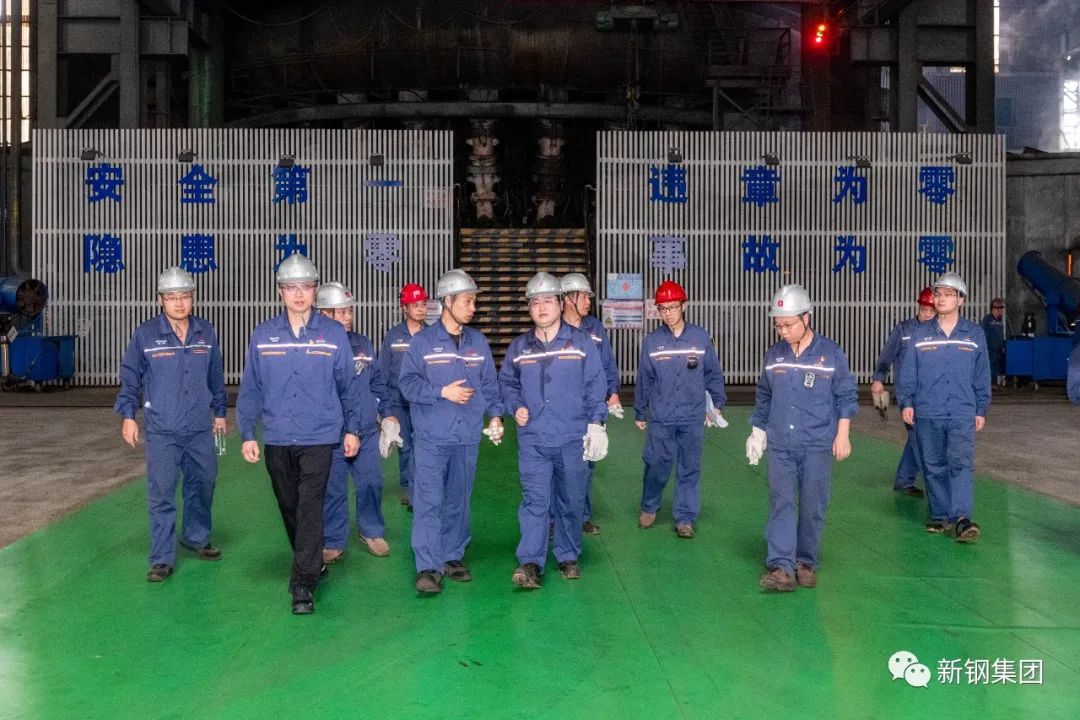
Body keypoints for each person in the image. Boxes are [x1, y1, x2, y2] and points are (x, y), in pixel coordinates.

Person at [236, 254, 361, 615]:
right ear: (280, 292)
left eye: (305, 286)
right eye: (291, 287)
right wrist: (247, 432)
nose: (299, 294)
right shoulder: (263, 335)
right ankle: (313, 561)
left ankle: (302, 584)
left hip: (319, 437)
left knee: (309, 507)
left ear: (315, 290)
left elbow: (348, 387)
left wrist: (352, 429)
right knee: (289, 505)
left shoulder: (332, 334)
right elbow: (251, 388)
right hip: (278, 436)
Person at [115, 266, 227, 583]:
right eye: (172, 297)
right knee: (162, 491)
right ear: (160, 300)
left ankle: (195, 536)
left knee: (203, 483)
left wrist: (220, 412)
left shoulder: (205, 332)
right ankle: (162, 557)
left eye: (185, 296)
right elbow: (131, 378)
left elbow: (215, 375)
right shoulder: (146, 334)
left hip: (199, 427)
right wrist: (128, 416)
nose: (179, 303)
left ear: (193, 298)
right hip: (162, 429)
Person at [500, 272, 609, 589]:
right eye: (534, 302)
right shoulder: (520, 347)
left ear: (561, 304)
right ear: (529, 308)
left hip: (573, 437)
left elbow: (595, 384)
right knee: (535, 501)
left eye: (547, 300)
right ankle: (530, 563)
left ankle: (567, 555)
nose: (541, 307)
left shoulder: (581, 344)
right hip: (533, 440)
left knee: (571, 499)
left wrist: (597, 423)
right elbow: (507, 383)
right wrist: (515, 405)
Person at [399, 269, 504, 595]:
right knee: (428, 502)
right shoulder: (423, 343)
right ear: (447, 301)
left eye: (474, 301)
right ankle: (428, 567)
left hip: (467, 437)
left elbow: (490, 386)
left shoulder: (478, 342)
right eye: (467, 301)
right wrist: (441, 392)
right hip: (432, 438)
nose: (473, 308)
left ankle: (451, 555)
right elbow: (407, 384)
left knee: (459, 500)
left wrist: (496, 417)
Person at [747, 284, 857, 592]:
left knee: (812, 504)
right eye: (778, 325)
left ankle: (805, 561)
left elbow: (846, 396)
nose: (783, 331)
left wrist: (843, 434)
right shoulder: (774, 355)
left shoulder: (830, 353)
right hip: (781, 442)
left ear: (806, 318)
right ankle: (782, 566)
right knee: (781, 501)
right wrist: (757, 432)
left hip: (816, 443)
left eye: (789, 324)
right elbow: (764, 396)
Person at [897, 272, 991, 543]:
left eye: (948, 294)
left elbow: (982, 374)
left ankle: (962, 519)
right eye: (938, 294)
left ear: (961, 300)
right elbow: (908, 372)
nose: (941, 299)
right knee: (933, 465)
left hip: (962, 410)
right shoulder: (920, 334)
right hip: (928, 410)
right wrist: (906, 402)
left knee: (961, 464)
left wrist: (981, 408)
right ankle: (941, 515)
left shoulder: (974, 334)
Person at [634, 280, 727, 539]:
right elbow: (645, 379)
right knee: (656, 463)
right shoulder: (652, 342)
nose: (668, 313)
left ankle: (685, 517)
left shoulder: (700, 337)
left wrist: (717, 403)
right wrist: (640, 411)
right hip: (661, 416)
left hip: (692, 415)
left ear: (683, 306)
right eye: (663, 309)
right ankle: (649, 506)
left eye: (673, 307)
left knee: (689, 467)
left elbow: (712, 373)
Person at [316, 282, 390, 563]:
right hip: (332, 433)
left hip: (366, 430)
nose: (348, 317)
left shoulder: (363, 344)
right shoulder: (318, 348)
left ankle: (371, 530)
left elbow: (377, 382)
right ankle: (334, 539)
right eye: (341, 312)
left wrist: (386, 414)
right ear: (324, 313)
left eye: (350, 311)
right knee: (333, 488)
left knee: (371, 482)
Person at [558, 272, 621, 535]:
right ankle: (556, 517)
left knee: (587, 463)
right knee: (560, 464)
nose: (588, 301)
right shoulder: (553, 327)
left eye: (588, 297)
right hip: (563, 409)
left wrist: (613, 392)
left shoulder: (595, 328)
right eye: (583, 296)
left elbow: (607, 363)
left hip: (591, 407)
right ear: (567, 299)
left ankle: (580, 516)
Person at [870, 287, 936, 498]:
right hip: (908, 395)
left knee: (917, 438)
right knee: (921, 439)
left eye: (931, 311)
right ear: (918, 307)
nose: (927, 314)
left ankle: (904, 480)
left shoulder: (938, 332)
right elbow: (887, 355)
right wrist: (878, 379)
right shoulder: (904, 330)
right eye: (924, 310)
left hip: (930, 394)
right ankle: (935, 487)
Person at [376, 283, 430, 511]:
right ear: (404, 308)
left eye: (423, 304)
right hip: (398, 402)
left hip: (424, 402)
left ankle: (419, 490)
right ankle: (409, 488)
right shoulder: (394, 336)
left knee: (423, 445)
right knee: (405, 446)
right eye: (414, 305)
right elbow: (382, 372)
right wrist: (385, 410)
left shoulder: (433, 336)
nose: (420, 309)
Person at [980, 298, 1007, 388]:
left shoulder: (999, 321)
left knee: (996, 367)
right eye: (1001, 309)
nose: (1002, 311)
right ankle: (989, 385)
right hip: (990, 350)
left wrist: (1002, 346)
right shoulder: (987, 320)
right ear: (995, 309)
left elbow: (1000, 335)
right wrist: (986, 348)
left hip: (997, 350)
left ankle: (994, 384)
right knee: (989, 367)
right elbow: (983, 334)